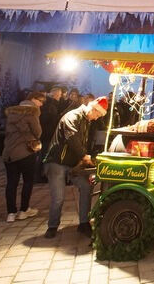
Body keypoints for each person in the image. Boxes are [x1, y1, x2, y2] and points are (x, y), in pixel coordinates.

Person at [43, 97, 108, 239]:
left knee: (86, 187)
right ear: (93, 109)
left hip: (73, 163)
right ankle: (52, 226)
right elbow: (72, 138)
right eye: (97, 115)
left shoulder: (85, 120)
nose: (96, 118)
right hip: (57, 162)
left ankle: (84, 223)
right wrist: (84, 156)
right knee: (58, 197)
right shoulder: (72, 116)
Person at [4, 92, 44, 223]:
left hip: (9, 152)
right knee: (27, 181)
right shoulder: (32, 113)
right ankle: (24, 210)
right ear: (32, 100)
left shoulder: (12, 113)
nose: (41, 104)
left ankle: (10, 212)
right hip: (26, 152)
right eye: (40, 101)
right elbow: (38, 132)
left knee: (11, 183)